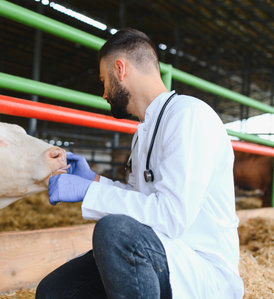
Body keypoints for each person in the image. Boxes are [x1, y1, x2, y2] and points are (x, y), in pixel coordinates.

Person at [36, 28, 244, 299]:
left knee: (114, 231)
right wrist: (94, 181)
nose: (104, 94)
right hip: (161, 254)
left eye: (104, 80)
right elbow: (141, 202)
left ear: (120, 69)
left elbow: (170, 217)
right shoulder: (143, 133)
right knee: (54, 291)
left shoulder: (188, 115)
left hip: (201, 270)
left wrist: (89, 193)